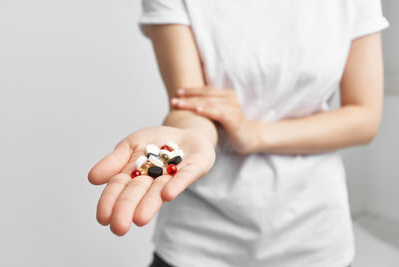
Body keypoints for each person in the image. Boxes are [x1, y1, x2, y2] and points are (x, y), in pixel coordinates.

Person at [88, 0, 389, 266]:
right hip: (198, 241)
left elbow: (363, 117)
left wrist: (253, 135)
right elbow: (190, 106)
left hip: (314, 234)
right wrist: (190, 140)